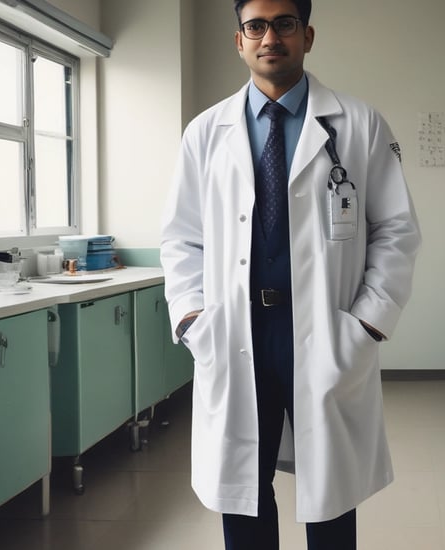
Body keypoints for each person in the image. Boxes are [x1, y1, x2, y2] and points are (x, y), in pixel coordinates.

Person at [160, 0, 421, 548]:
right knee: (246, 491)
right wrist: (191, 318)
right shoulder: (205, 133)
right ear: (239, 40)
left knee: (330, 492)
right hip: (236, 331)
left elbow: (396, 231)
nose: (269, 37)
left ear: (307, 35)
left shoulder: (360, 124)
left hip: (326, 330)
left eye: (284, 24)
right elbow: (181, 238)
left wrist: (367, 324)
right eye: (255, 26)